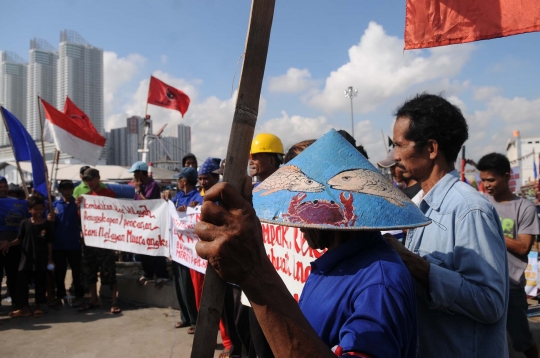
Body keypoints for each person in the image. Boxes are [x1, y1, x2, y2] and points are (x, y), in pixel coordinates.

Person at [195, 129, 429, 357]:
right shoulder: (332, 264)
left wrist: (254, 272)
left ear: (336, 205)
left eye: (306, 207)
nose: (298, 224)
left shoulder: (380, 286)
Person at [385, 93, 509, 356]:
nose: (395, 155)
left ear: (431, 149)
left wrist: (419, 267)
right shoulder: (421, 205)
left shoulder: (468, 209)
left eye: (400, 145)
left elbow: (491, 303)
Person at [477, 153, 539, 358]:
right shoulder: (481, 203)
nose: (486, 185)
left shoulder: (524, 208)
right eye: (483, 180)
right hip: (483, 282)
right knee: (485, 339)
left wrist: (490, 230)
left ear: (506, 176)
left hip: (511, 287)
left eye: (491, 180)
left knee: (522, 340)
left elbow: (523, 247)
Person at [76, 168, 121, 314]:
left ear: (98, 178)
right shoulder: (85, 197)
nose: (88, 182)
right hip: (89, 240)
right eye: (86, 180)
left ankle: (114, 301)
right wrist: (79, 206)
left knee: (109, 270)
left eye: (91, 179)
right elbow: (81, 218)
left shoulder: (109, 195)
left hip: (105, 240)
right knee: (89, 270)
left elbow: (116, 214)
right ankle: (93, 299)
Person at [3, 195, 54, 318]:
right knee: (21, 283)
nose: (38, 212)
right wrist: (9, 244)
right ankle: (24, 308)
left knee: (40, 283)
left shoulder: (47, 224)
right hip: (26, 259)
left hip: (41, 259)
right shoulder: (25, 223)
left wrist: (50, 258)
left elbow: (49, 242)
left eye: (41, 209)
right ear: (29, 210)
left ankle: (38, 306)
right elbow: (19, 239)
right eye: (35, 209)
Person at [170, 167, 202, 332]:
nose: (177, 182)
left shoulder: (197, 198)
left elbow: (199, 215)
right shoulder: (178, 197)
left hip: (190, 251)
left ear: (184, 181)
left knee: (190, 286)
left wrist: (191, 209)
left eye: (178, 179)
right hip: (178, 248)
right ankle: (185, 317)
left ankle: (194, 320)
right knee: (180, 284)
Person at [129, 161, 170, 286]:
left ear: (142, 173)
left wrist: (139, 191)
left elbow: (148, 204)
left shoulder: (152, 185)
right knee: (143, 250)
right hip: (142, 224)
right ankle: (148, 273)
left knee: (155, 250)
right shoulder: (140, 186)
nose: (134, 176)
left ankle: (162, 274)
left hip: (152, 223)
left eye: (136, 173)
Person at [48, 180, 84, 307]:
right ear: (60, 190)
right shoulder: (54, 205)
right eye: (65, 188)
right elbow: (50, 225)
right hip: (59, 245)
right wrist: (50, 219)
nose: (68, 191)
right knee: (59, 272)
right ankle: (60, 296)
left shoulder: (78, 204)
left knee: (77, 271)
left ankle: (79, 295)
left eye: (70, 188)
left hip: (74, 243)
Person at [0, 176, 26, 310]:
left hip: (13, 246)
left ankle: (17, 302)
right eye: (0, 187)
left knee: (14, 275)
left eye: (5, 187)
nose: (3, 189)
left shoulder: (18, 203)